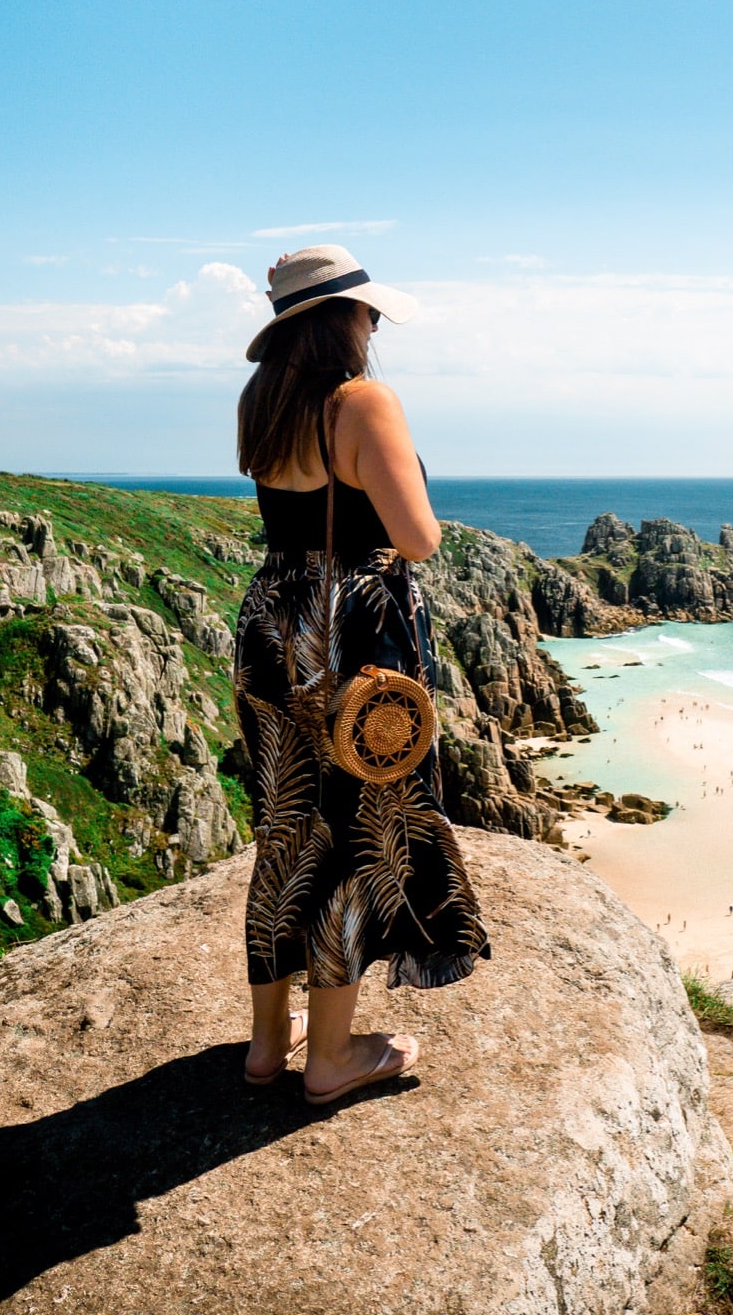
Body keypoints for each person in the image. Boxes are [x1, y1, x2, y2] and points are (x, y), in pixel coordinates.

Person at [233, 245, 490, 1105]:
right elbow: (415, 539)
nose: (374, 324)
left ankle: (268, 1046)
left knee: (285, 829)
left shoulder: (261, 400)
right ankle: (333, 1058)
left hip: (273, 619)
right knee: (352, 833)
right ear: (340, 319)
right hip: (350, 635)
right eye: (366, 312)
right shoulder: (362, 401)